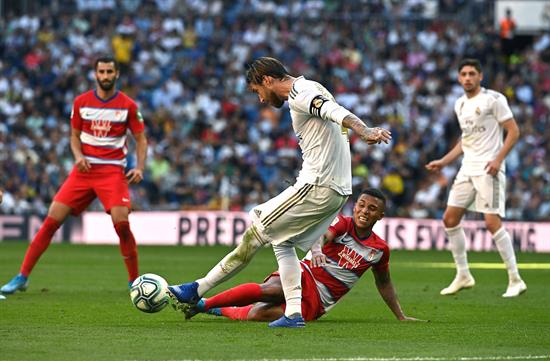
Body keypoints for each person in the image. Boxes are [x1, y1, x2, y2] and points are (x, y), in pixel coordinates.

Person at [168, 56, 391, 328]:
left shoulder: (300, 93)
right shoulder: (312, 86)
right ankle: (294, 313)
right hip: (337, 191)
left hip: (316, 185)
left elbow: (335, 112)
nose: (261, 99)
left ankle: (197, 288)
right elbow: (333, 110)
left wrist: (363, 130)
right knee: (282, 241)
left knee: (256, 232)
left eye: (257, 91)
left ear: (267, 80)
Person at [1, 56, 148, 294]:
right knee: (51, 220)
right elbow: (74, 136)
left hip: (112, 172)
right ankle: (22, 276)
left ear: (117, 74)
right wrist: (78, 156)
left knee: (121, 224)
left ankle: (134, 282)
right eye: (102, 72)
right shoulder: (81, 102)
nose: (106, 76)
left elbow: (141, 139)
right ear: (95, 74)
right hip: (84, 171)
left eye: (110, 71)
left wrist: (140, 167)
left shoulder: (128, 106)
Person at [174, 189, 424, 323]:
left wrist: (400, 315)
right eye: (361, 205)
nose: (364, 211)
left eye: (372, 209)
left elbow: (384, 283)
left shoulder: (379, 250)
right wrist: (316, 249)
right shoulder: (343, 224)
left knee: (257, 314)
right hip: (305, 275)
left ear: (380, 216)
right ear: (355, 206)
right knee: (272, 289)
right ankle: (204, 303)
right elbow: (325, 234)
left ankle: (213, 309)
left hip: (320, 300)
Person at [426, 58, 526, 298]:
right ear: (459, 78)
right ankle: (463, 274)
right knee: (450, 219)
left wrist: (498, 159)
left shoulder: (494, 99)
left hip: (488, 168)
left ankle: (515, 279)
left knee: (491, 222)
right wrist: (444, 161)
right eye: (463, 74)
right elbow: (465, 140)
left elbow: (513, 131)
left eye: (472, 73)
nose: (468, 77)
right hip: (467, 168)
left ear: (480, 76)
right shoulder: (460, 104)